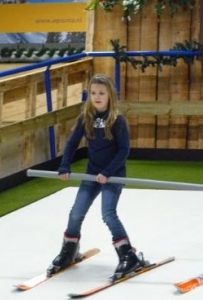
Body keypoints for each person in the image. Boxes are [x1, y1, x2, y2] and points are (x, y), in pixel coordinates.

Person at [47, 74, 144, 280]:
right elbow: (72, 143)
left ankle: (128, 255)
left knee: (108, 213)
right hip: (92, 174)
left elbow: (124, 150)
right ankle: (69, 250)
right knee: (76, 212)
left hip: (113, 175)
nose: (97, 97)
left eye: (101, 93)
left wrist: (107, 173)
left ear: (110, 95)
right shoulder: (86, 118)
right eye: (93, 93)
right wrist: (64, 165)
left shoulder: (117, 119)